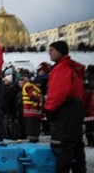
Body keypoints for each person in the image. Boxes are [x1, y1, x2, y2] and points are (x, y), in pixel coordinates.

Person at [44, 41, 86, 173]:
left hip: (64, 110)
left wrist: (49, 109)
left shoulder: (62, 68)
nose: (49, 52)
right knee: (76, 146)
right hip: (75, 109)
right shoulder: (71, 67)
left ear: (60, 52)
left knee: (62, 146)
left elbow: (58, 91)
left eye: (52, 50)